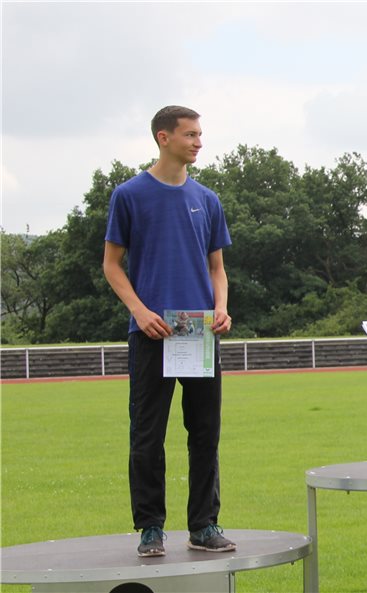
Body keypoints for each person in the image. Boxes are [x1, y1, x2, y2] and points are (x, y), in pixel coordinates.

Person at [103, 106, 236, 556]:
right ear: (164, 137)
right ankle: (150, 529)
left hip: (197, 333)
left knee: (205, 434)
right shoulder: (129, 195)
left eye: (201, 134)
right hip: (152, 334)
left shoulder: (209, 200)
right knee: (146, 436)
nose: (199, 142)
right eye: (191, 135)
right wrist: (140, 311)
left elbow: (218, 269)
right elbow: (111, 264)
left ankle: (204, 525)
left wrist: (221, 308)